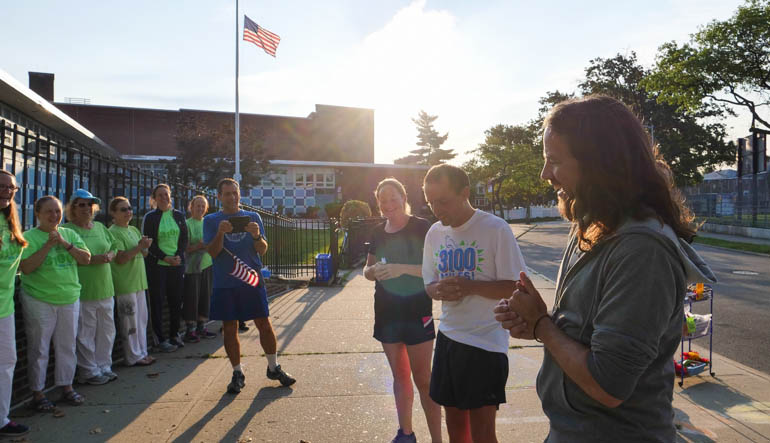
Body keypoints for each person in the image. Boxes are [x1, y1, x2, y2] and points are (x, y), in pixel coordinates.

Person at [493, 95, 716, 442]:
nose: (544, 175)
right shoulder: (592, 226)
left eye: (554, 161)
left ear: (599, 164)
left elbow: (609, 384)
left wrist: (541, 325)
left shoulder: (643, 250)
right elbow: (585, 334)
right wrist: (540, 325)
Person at [421, 164, 527, 443]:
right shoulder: (434, 233)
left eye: (442, 201)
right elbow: (429, 285)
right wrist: (439, 289)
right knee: (456, 431)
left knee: (482, 434)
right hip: (448, 338)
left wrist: (470, 287)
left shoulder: (495, 229)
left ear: (465, 193)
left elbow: (515, 286)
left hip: (485, 343)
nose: (436, 209)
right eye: (430, 202)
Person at [363, 178, 441, 443]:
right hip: (387, 314)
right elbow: (366, 269)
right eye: (382, 200)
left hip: (417, 311)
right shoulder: (377, 233)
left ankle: (437, 439)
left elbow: (435, 270)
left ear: (403, 197)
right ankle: (406, 434)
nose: (388, 205)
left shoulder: (421, 227)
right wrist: (373, 272)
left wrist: (401, 268)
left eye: (392, 198)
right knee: (400, 377)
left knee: (424, 380)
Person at [204, 178, 295, 393]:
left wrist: (256, 235)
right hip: (225, 281)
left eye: (235, 193)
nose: (232, 197)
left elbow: (262, 249)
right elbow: (213, 252)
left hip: (251, 279)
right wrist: (220, 233)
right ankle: (237, 372)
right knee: (229, 327)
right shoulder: (211, 220)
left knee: (263, 322)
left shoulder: (253, 217)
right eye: (227, 194)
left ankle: (273, 367)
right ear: (219, 197)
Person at [19, 196, 91, 411]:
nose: (54, 216)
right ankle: (38, 393)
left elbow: (86, 258)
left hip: (68, 298)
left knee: (67, 346)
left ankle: (66, 386)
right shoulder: (28, 237)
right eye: (49, 212)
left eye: (57, 211)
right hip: (39, 299)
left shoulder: (69, 234)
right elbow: (26, 268)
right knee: (39, 348)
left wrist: (64, 243)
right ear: (38, 214)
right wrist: (48, 246)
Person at [62, 189, 118, 385]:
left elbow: (114, 246)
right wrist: (92, 260)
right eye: (82, 204)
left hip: (105, 287)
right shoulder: (67, 230)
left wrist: (110, 256)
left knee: (107, 330)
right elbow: (66, 258)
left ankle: (104, 365)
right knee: (86, 332)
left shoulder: (101, 227)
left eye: (90, 204)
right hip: (84, 289)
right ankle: (89, 371)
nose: (87, 208)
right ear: (73, 208)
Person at [108, 197, 155, 366]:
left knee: (141, 320)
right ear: (113, 213)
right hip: (125, 283)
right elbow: (121, 258)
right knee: (129, 321)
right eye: (123, 209)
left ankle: (142, 352)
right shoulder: (113, 232)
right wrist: (139, 247)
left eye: (129, 208)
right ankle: (133, 356)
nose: (128, 212)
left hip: (139, 282)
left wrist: (145, 246)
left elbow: (144, 254)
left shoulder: (134, 229)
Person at [142, 184, 188, 352]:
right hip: (158, 267)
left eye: (166, 195)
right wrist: (165, 258)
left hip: (176, 265)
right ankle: (160, 339)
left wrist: (177, 256)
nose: (163, 198)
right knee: (158, 302)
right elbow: (149, 242)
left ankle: (174, 334)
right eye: (160, 195)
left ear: (170, 196)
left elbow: (184, 238)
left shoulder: (178, 215)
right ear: (154, 199)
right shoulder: (150, 217)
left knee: (176, 301)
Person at [0, 170, 29, 436]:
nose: (7, 191)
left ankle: (1, 418)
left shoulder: (10, 221)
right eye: (2, 186)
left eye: (12, 188)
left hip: (5, 305)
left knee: (7, 361)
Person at [182, 195, 216, 342]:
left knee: (205, 296)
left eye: (203, 206)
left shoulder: (207, 223)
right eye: (198, 206)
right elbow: (185, 248)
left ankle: (202, 327)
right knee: (191, 297)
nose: (200, 208)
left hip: (207, 264)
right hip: (192, 267)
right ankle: (190, 330)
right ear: (191, 207)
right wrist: (200, 245)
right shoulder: (186, 224)